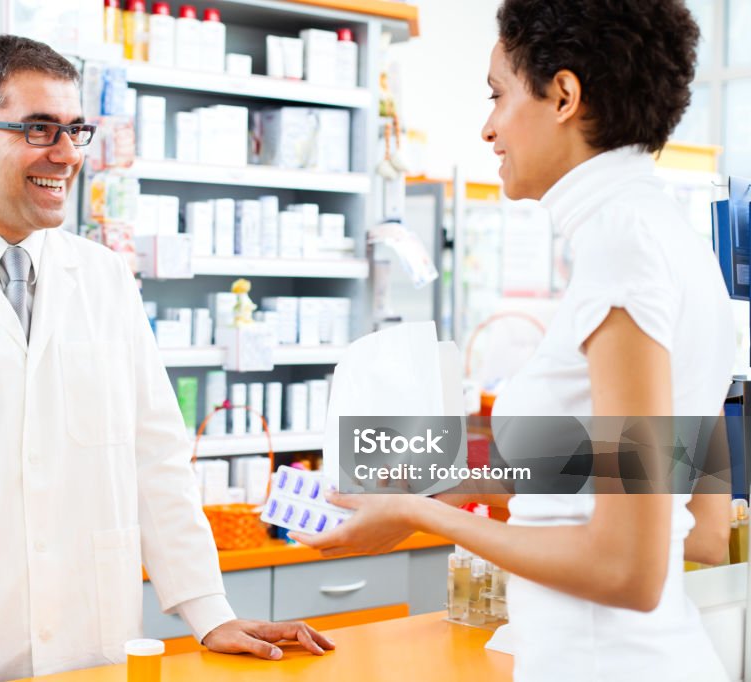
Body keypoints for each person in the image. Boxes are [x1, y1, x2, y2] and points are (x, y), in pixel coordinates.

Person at [0, 35, 332, 682]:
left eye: (76, 130)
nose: (68, 154)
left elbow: (154, 457)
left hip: (90, 650)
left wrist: (209, 611)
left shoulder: (103, 281)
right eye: (39, 130)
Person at [295, 2, 734, 681]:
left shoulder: (622, 246)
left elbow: (628, 570)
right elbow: (697, 523)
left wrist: (420, 513)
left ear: (564, 95)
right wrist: (448, 490)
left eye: (498, 95)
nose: (488, 127)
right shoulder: (674, 240)